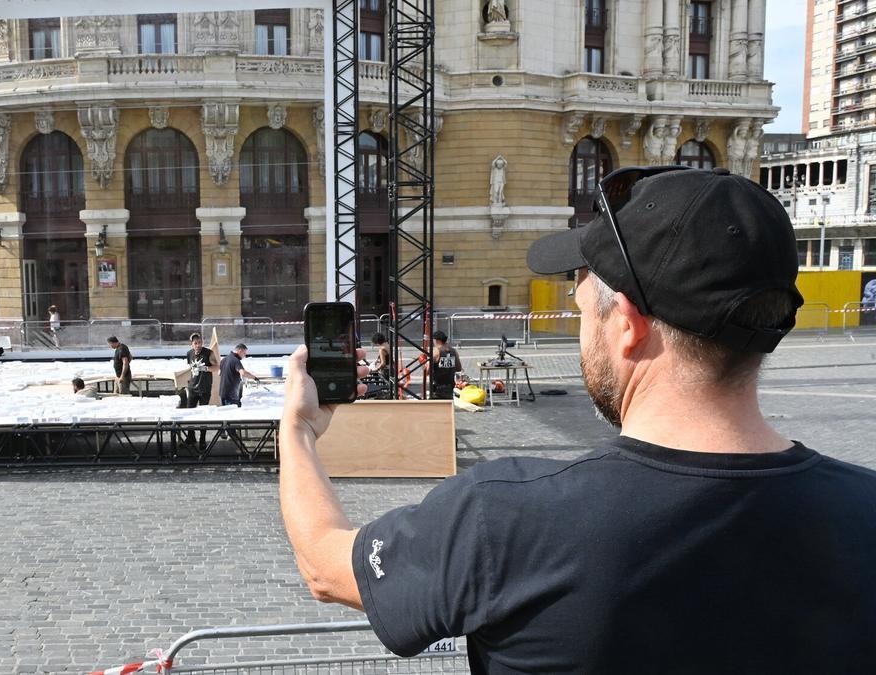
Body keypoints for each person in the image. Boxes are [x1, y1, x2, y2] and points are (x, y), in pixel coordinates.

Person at [277, 167, 876, 673]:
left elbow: (326, 566)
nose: (579, 316)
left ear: (629, 324)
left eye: (582, 303)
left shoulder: (505, 517)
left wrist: (298, 428)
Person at [184, 332, 218, 408]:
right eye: (195, 343)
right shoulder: (189, 353)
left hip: (204, 388)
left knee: (203, 411)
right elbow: (190, 368)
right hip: (192, 388)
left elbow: (217, 367)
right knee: (189, 410)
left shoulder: (208, 353)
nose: (198, 345)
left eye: (199, 342)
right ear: (191, 344)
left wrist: (206, 368)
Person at [426, 330, 461, 399]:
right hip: (450, 386)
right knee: (448, 407)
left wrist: (424, 364)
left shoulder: (436, 352)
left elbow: (427, 371)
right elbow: (458, 368)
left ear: (437, 340)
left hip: (438, 387)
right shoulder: (453, 351)